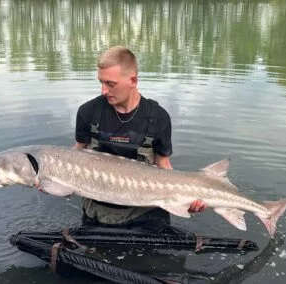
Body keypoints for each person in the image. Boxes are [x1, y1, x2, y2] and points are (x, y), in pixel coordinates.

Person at [74, 46, 205, 232]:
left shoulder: (158, 117)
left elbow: (163, 164)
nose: (104, 90)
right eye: (101, 82)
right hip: (97, 213)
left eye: (110, 84)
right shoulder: (88, 112)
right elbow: (77, 152)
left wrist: (185, 199)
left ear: (133, 80)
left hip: (145, 216)